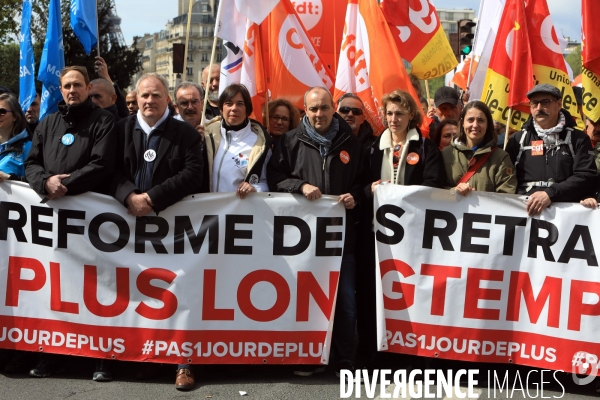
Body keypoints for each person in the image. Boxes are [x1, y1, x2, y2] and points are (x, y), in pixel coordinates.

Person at [109, 73, 204, 390]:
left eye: (157, 95)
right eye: (145, 95)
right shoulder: (121, 129)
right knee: (138, 293)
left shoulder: (185, 134)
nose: (150, 101)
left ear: (168, 100)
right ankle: (145, 357)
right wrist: (129, 196)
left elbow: (193, 174)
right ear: (136, 97)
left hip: (174, 231)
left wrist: (152, 198)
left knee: (179, 293)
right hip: (129, 229)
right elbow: (109, 171)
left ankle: (183, 363)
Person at [24, 66, 117, 380]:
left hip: (92, 222)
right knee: (60, 287)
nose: (72, 90)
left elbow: (103, 164)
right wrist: (45, 184)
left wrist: (66, 185)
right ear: (61, 90)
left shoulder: (104, 121)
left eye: (78, 84)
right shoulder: (48, 122)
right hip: (55, 223)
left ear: (88, 87)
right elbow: (32, 163)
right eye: (67, 86)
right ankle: (54, 353)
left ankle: (102, 357)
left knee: (97, 286)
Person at [268, 86, 363, 377]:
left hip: (341, 239)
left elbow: (367, 182)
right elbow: (275, 178)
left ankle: (345, 359)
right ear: (304, 111)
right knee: (306, 301)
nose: (319, 114)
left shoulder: (351, 141)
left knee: (346, 302)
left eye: (324, 107)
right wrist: (301, 186)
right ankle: (309, 356)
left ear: (333, 108)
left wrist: (356, 196)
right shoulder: (288, 142)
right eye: (313, 109)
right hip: (303, 241)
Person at [357, 89, 445, 367]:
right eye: (390, 113)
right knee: (374, 294)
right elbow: (358, 185)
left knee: (407, 293)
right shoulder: (372, 147)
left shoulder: (425, 147)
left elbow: (433, 185)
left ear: (411, 116)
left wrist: (402, 195)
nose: (394, 119)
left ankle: (407, 353)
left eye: (400, 113)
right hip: (377, 236)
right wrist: (368, 190)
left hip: (411, 237)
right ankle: (373, 352)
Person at [505, 84, 596, 216]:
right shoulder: (517, 140)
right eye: (534, 104)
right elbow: (505, 179)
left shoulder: (579, 139)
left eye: (545, 102)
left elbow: (586, 176)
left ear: (558, 104)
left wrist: (550, 193)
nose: (539, 108)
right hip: (524, 213)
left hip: (565, 216)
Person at [204, 84, 271, 195]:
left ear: (247, 109)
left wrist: (254, 188)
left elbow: (267, 183)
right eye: (229, 103)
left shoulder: (260, 144)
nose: (234, 108)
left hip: (239, 210)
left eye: (240, 104)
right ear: (221, 108)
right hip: (208, 210)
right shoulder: (208, 136)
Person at [442, 101, 517, 195]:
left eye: (481, 120)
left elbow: (507, 196)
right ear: (462, 123)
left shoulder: (501, 158)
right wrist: (454, 191)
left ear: (488, 125)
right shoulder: (446, 154)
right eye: (470, 120)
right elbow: (434, 191)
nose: (475, 125)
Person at [0, 93, 32, 181]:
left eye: (2, 111)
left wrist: (10, 178)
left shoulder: (29, 147)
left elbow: (37, 182)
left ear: (15, 116)